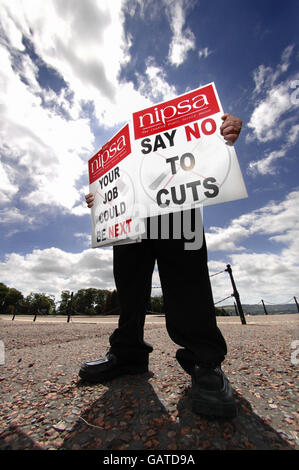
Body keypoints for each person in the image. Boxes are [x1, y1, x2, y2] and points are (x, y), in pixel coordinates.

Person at [79, 113, 242, 419]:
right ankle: (128, 354)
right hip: (130, 214)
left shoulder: (188, 131)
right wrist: (101, 199)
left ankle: (205, 361)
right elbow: (110, 185)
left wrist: (223, 135)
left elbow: (207, 152)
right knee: (128, 284)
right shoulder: (122, 155)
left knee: (187, 278)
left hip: (177, 204)